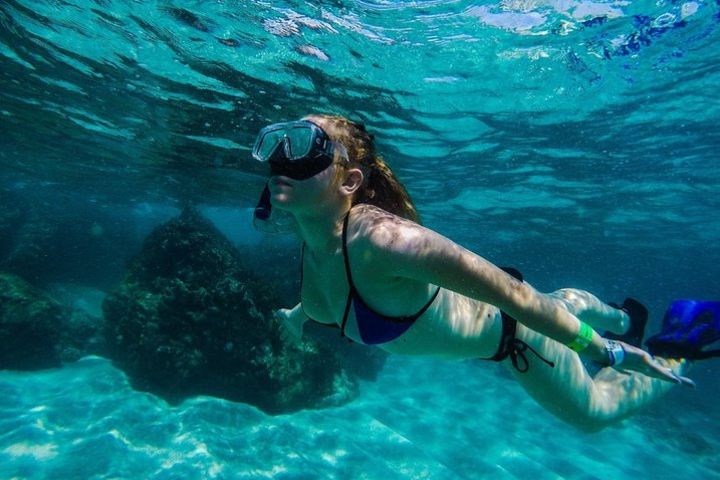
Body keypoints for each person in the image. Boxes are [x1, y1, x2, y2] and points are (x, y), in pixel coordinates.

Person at [251, 114, 718, 433]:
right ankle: (619, 314)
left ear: (349, 181)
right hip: (493, 310)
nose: (282, 157)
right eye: (279, 142)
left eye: (305, 146)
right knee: (557, 302)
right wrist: (297, 317)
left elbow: (516, 298)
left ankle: (674, 345)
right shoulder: (314, 241)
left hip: (518, 334)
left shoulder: (387, 242)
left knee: (593, 414)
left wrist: (607, 351)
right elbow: (326, 298)